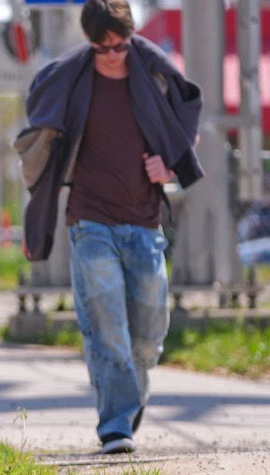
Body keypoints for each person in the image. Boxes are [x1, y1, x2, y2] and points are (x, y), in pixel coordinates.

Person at [15, 0, 204, 454]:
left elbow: (184, 128)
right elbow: (41, 118)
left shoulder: (156, 76)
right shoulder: (71, 78)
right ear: (90, 41)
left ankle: (129, 394)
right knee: (106, 328)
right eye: (104, 48)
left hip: (144, 223)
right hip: (90, 221)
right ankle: (116, 424)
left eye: (121, 44)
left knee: (149, 334)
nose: (115, 54)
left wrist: (170, 168)